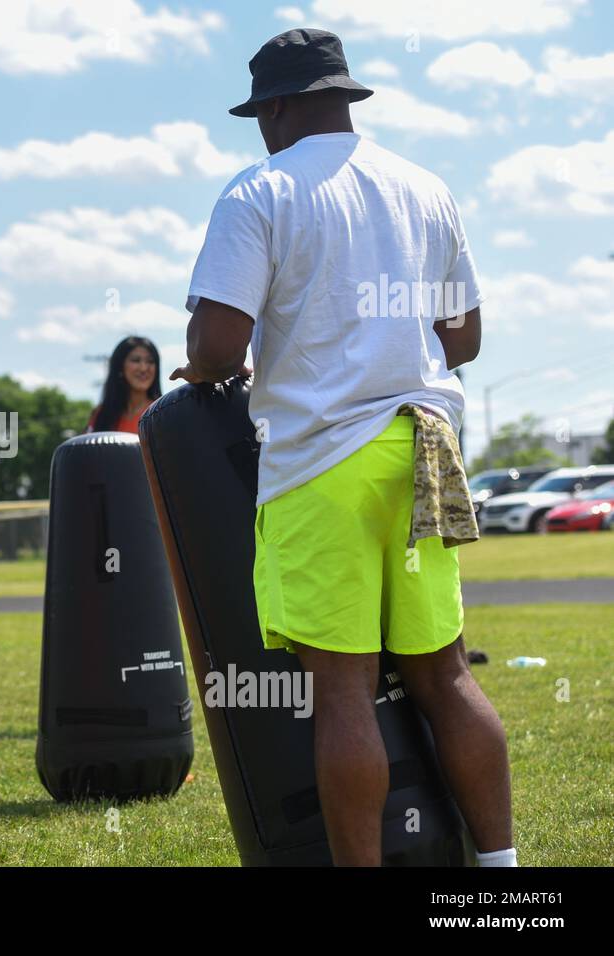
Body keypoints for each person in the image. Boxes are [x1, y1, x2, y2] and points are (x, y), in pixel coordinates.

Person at [176, 28, 512, 866]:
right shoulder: (424, 186)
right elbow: (463, 339)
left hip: (325, 459)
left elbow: (219, 344)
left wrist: (201, 361)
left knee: (342, 690)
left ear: (277, 107)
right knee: (446, 676)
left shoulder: (260, 190)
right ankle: (502, 872)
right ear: (345, 97)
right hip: (423, 449)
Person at [87, 336, 162, 434]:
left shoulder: (161, 413)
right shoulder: (101, 414)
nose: (143, 368)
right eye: (136, 360)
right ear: (119, 367)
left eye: (150, 361)